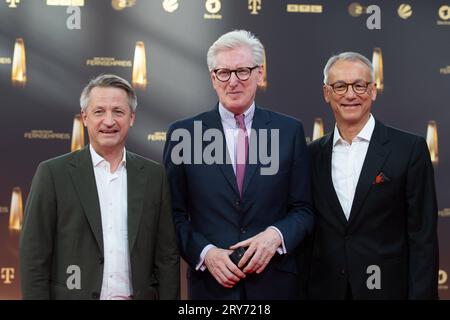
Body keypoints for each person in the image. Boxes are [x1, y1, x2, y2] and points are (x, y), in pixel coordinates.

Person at [163, 30, 314, 299]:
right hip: (211, 288)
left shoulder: (289, 131)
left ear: (260, 73)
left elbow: (303, 209)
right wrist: (206, 253)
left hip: (275, 286)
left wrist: (275, 236)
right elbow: (171, 215)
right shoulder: (184, 134)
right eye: (223, 72)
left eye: (243, 71)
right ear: (213, 78)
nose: (233, 81)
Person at [20, 74, 180, 300]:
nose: (109, 120)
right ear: (84, 117)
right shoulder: (53, 174)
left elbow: (167, 258)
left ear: (131, 118)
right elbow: (33, 257)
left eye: (118, 111)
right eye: (99, 111)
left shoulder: (155, 176)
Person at [307, 52, 439, 299]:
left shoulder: (409, 150)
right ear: (327, 93)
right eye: (340, 86)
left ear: (373, 90)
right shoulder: (311, 155)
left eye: (359, 85)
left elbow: (424, 239)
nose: (350, 94)